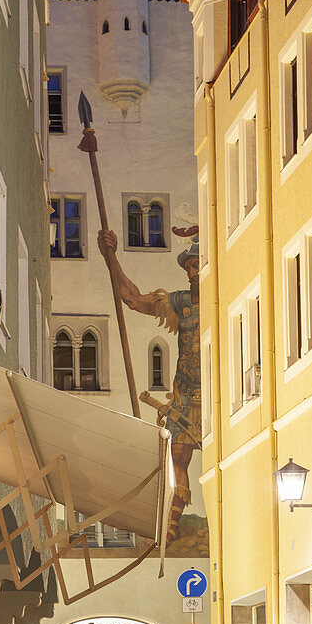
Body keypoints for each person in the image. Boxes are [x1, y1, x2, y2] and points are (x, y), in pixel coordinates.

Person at [97, 226, 200, 544]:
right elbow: (132, 299)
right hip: (185, 393)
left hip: (224, 391)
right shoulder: (180, 302)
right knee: (177, 456)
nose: (193, 272)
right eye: (189, 267)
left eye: (196, 264)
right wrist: (110, 256)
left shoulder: (231, 293)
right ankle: (171, 523)